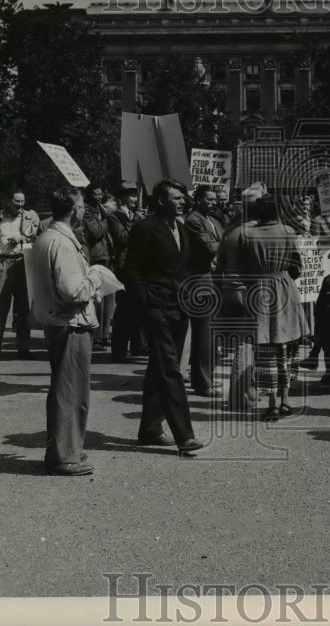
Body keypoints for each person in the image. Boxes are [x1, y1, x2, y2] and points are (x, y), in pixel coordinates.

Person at [122, 180, 203, 454]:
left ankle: (149, 428)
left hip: (178, 306)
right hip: (156, 308)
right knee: (170, 368)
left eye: (183, 197)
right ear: (160, 201)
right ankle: (185, 435)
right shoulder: (145, 227)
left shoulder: (180, 227)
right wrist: (146, 304)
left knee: (159, 369)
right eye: (175, 198)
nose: (181, 202)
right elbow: (131, 270)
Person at [28, 187, 102, 476]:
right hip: (70, 323)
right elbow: (73, 291)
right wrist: (95, 277)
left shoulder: (48, 237)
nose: (84, 210)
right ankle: (65, 456)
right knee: (71, 392)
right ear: (74, 210)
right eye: (82, 206)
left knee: (63, 389)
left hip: (57, 322)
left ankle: (64, 449)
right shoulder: (62, 242)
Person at [237, 194, 309, 420]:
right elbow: (297, 264)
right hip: (284, 287)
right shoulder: (288, 232)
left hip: (259, 290)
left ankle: (271, 404)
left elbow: (243, 268)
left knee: (265, 347)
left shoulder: (247, 235)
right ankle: (285, 400)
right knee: (286, 347)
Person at [0, 189, 40, 362]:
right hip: (2, 263)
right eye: (16, 201)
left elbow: (38, 235)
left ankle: (24, 348)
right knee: (0, 306)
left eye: (22, 201)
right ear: (8, 201)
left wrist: (22, 238)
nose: (20, 205)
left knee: (23, 307)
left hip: (22, 262)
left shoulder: (31, 216)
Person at [184, 185, 224, 398]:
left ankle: (207, 378)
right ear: (198, 199)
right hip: (199, 281)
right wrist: (227, 244)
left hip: (214, 282)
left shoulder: (214, 221)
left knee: (211, 335)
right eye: (209, 199)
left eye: (215, 199)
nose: (213, 202)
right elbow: (208, 247)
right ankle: (202, 383)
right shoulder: (194, 220)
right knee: (203, 335)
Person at [107, 181, 141, 362]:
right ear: (123, 198)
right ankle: (119, 350)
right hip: (124, 266)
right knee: (124, 309)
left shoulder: (136, 215)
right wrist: (136, 222)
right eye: (132, 195)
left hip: (138, 264)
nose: (136, 199)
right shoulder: (115, 217)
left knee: (137, 307)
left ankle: (137, 346)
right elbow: (123, 238)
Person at [81, 184, 115, 351]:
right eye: (96, 194)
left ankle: (104, 334)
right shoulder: (87, 212)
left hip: (107, 256)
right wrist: (106, 217)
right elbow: (95, 232)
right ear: (89, 196)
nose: (100, 197)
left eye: (101, 193)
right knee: (97, 300)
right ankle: (96, 337)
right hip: (96, 257)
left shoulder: (99, 209)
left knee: (108, 299)